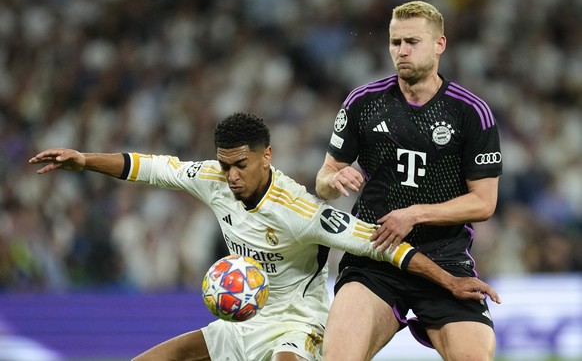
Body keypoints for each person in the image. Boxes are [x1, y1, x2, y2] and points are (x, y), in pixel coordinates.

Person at [29, 112, 499, 361]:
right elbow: (150, 167)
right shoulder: (212, 177)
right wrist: (86, 160)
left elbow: (384, 244)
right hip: (243, 322)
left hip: (298, 325)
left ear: (267, 156)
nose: (231, 176)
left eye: (241, 165)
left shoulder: (298, 210)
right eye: (225, 164)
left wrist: (450, 282)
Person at [315, 1, 503, 361]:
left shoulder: (470, 113)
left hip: (444, 260)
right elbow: (324, 176)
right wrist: (334, 178)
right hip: (375, 256)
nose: (400, 51)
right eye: (394, 42)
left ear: (439, 44)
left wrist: (414, 213)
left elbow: (484, 202)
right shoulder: (363, 103)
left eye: (412, 41)